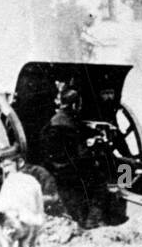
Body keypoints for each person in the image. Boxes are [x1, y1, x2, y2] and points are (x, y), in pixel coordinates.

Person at [40, 84, 111, 228]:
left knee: (118, 165)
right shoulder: (68, 124)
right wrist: (93, 149)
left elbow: (80, 131)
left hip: (59, 167)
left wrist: (92, 135)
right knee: (101, 182)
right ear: (75, 105)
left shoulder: (57, 120)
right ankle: (94, 219)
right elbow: (81, 153)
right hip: (70, 170)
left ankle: (123, 187)